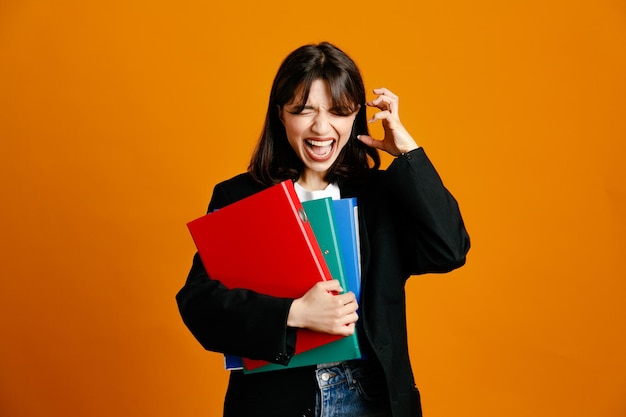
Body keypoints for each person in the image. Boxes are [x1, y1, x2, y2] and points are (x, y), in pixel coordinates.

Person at [176, 42, 470, 417]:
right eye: (303, 110)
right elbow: (200, 305)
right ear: (280, 114)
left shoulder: (380, 195)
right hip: (276, 399)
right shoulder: (240, 195)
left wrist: (409, 154)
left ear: (355, 117)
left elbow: (450, 249)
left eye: (338, 111)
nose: (321, 127)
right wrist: (294, 313)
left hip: (368, 396)